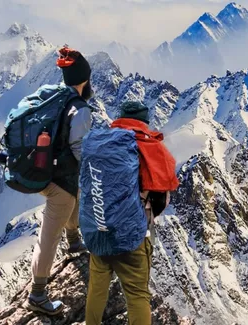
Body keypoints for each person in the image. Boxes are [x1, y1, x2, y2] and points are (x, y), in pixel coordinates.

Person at [84, 101, 177, 325]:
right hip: (132, 235)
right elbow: (162, 197)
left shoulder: (100, 143)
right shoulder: (150, 147)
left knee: (96, 291)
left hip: (99, 228)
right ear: (144, 121)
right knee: (137, 295)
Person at [23, 46, 100, 316]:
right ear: (85, 80)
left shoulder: (54, 98)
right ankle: (38, 293)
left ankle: (74, 240)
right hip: (58, 183)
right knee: (48, 236)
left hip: (44, 171)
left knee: (75, 192)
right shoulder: (79, 109)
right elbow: (79, 150)